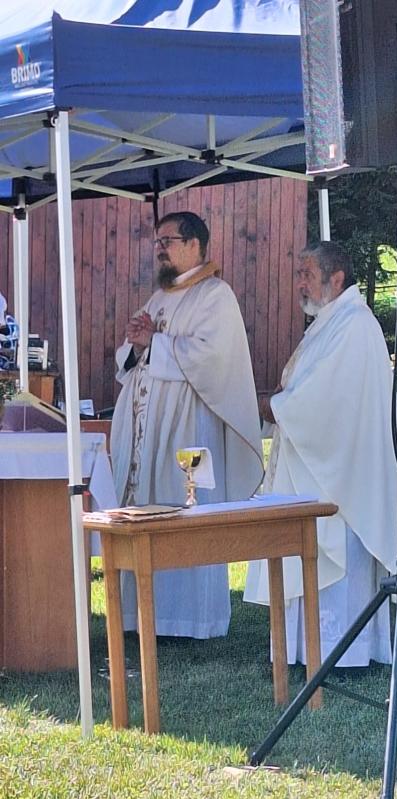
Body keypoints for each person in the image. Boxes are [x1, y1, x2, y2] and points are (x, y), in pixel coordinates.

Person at [243, 241, 397, 667]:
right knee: (309, 557)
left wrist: (276, 406)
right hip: (316, 464)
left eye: (307, 274)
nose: (300, 283)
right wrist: (281, 403)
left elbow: (328, 399)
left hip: (340, 472)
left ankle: (343, 655)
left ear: (336, 278)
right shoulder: (330, 321)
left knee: (336, 560)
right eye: (299, 274)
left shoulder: (354, 324)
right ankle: (303, 651)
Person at [111, 211, 263, 638]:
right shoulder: (160, 297)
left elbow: (213, 358)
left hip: (187, 425)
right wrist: (137, 343)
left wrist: (155, 343)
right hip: (147, 430)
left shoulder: (215, 296)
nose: (160, 249)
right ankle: (140, 616)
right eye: (158, 242)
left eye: (168, 241)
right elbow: (132, 353)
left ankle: (191, 620)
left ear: (195, 244)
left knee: (184, 506)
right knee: (147, 508)